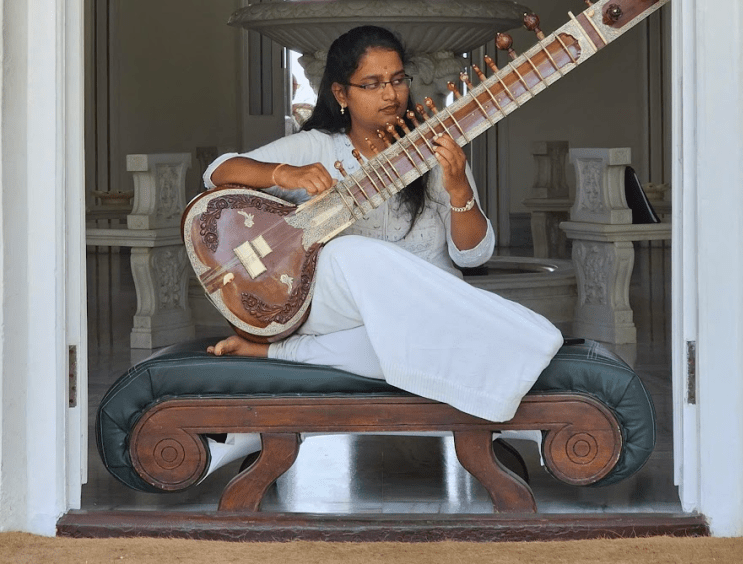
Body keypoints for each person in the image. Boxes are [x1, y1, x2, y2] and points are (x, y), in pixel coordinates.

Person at [201, 25, 563, 474]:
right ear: (341, 93)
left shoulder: (433, 149)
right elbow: (218, 172)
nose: (390, 94)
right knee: (349, 253)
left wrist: (456, 188)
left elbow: (473, 256)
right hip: (336, 300)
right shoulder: (316, 146)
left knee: (403, 342)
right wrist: (284, 175)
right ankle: (514, 345)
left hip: (422, 314)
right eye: (372, 84)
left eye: (397, 80)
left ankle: (278, 354)